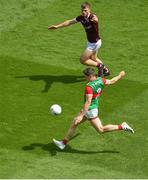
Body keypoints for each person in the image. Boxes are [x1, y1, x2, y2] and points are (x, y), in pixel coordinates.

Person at [53, 68, 134, 150]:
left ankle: (122, 126)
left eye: (86, 77)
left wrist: (81, 115)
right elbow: (112, 81)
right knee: (74, 123)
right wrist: (120, 75)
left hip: (90, 110)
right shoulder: (100, 80)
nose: (85, 78)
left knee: (101, 129)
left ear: (91, 76)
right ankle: (63, 143)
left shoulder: (89, 87)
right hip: (91, 108)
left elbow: (88, 102)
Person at [48, 2, 110, 77]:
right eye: (82, 10)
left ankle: (99, 66)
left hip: (94, 43)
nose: (83, 12)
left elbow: (96, 20)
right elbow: (69, 22)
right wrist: (57, 26)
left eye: (85, 10)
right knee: (93, 58)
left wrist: (96, 20)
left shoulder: (92, 17)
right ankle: (106, 70)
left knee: (83, 60)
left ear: (89, 10)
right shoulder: (81, 18)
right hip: (92, 42)